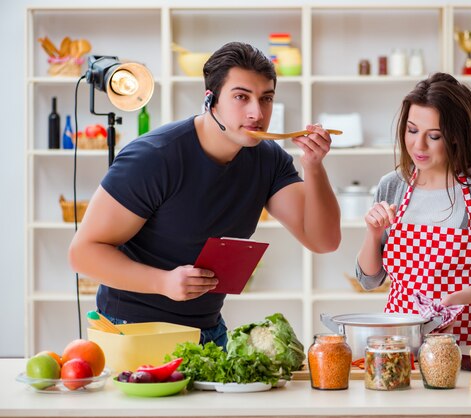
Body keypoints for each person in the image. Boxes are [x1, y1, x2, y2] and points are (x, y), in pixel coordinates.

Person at [69, 42, 341, 348]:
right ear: (210, 99)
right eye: (241, 97)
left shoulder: (269, 159)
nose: (257, 112)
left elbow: (323, 240)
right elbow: (83, 253)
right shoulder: (155, 157)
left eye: (266, 99)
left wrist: (314, 167)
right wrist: (163, 282)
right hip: (133, 330)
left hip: (209, 330)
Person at [356, 72, 471, 345]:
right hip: (400, 345)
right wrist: (373, 235)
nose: (418, 145)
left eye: (433, 136)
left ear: (455, 136)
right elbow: (369, 280)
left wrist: (456, 300)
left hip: (465, 345)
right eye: (411, 131)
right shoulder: (392, 185)